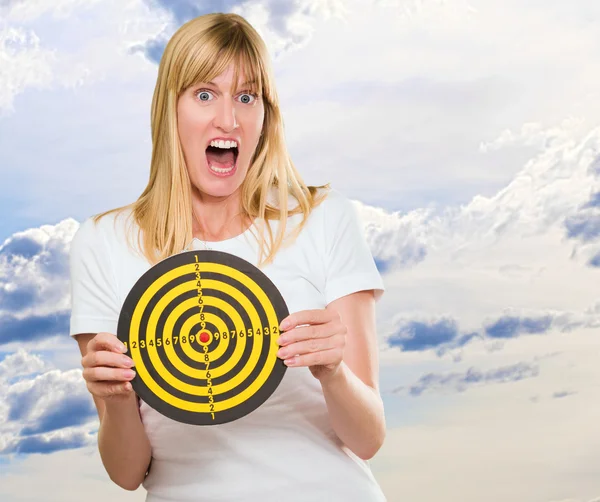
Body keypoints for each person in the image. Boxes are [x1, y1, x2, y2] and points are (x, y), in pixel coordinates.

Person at [69, 11, 387, 502]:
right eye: (204, 94)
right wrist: (116, 400)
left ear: (266, 113)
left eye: (246, 96)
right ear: (170, 110)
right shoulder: (104, 242)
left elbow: (367, 440)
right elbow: (128, 472)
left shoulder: (323, 217)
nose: (228, 119)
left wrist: (333, 372)